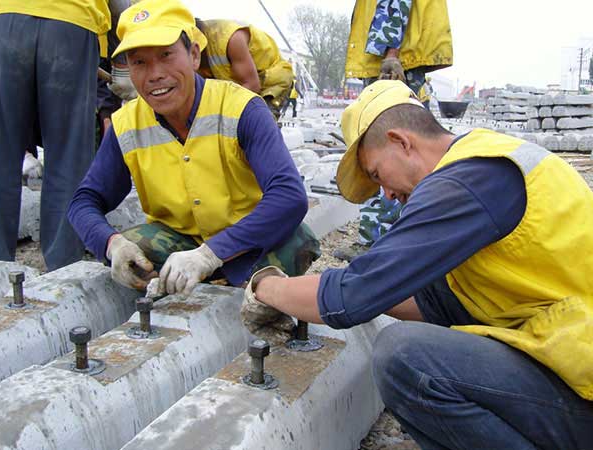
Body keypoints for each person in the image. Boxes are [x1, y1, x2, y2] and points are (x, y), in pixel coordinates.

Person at [242, 80, 593, 449]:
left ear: (401, 141)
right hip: (573, 368)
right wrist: (338, 289)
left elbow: (354, 295)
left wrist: (266, 288)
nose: (387, 195)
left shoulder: (467, 182)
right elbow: (436, 303)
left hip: (582, 385)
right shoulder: (482, 163)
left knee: (405, 358)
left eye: (377, 175)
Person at [68, 0, 320, 296]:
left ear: (194, 55)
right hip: (180, 241)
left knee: (269, 279)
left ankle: (232, 280)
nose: (155, 74)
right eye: (139, 62)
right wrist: (112, 244)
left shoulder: (242, 109)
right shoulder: (127, 124)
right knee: (134, 259)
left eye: (166, 55)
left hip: (252, 238)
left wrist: (209, 255)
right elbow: (83, 201)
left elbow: (289, 197)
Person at [0, 0, 127, 270]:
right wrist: (123, 63)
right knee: (68, 155)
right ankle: (64, 265)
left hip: (4, 19)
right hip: (72, 21)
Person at [338, 0, 453, 260]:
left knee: (384, 157)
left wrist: (391, 54)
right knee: (387, 161)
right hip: (397, 57)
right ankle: (387, 242)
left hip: (392, 59)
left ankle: (386, 245)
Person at [196, 19, 294, 120]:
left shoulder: (231, 39)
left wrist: (220, 112)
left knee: (260, 121)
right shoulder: (196, 56)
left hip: (272, 81)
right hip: (243, 84)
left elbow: (252, 85)